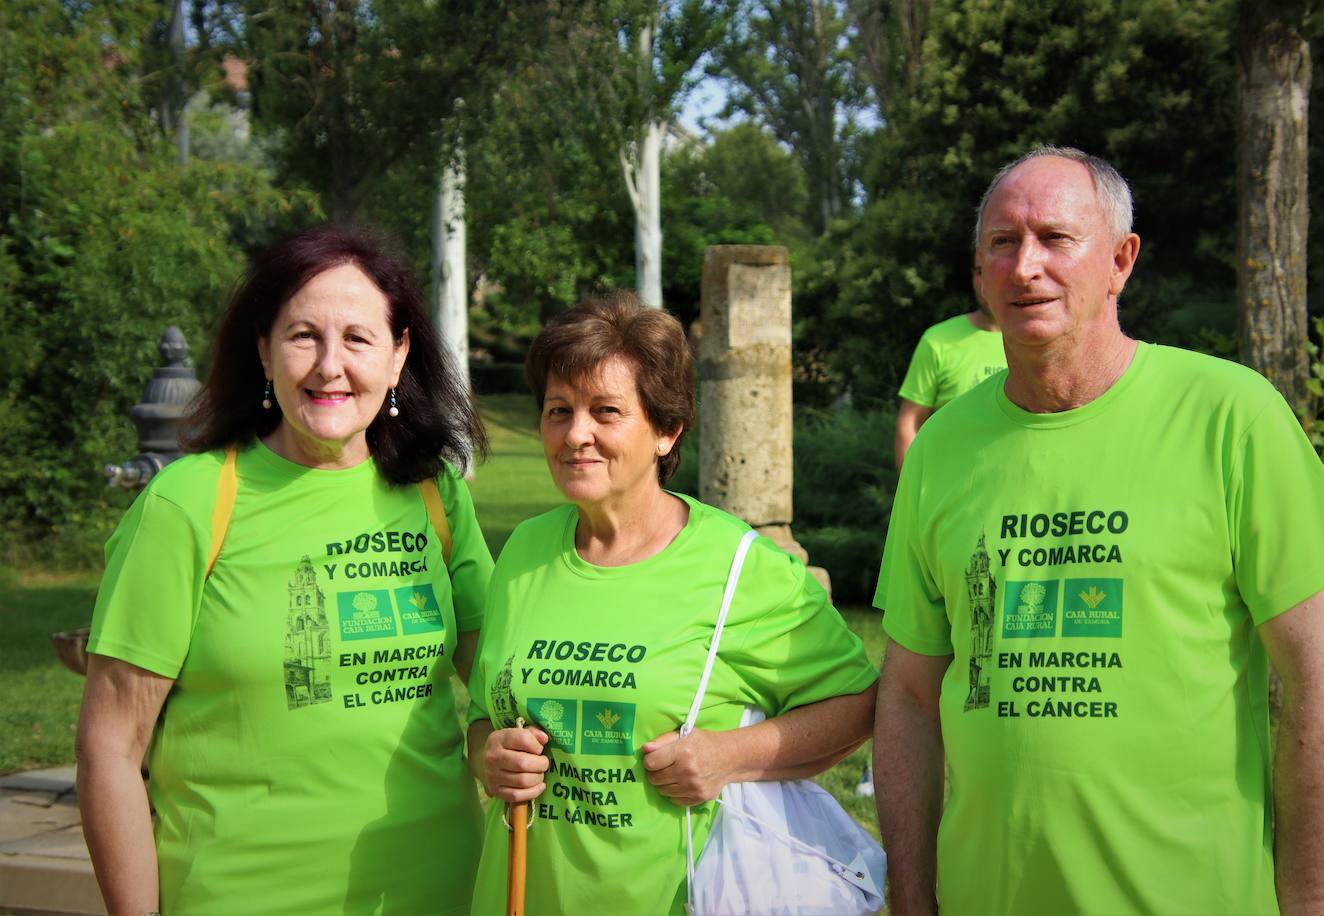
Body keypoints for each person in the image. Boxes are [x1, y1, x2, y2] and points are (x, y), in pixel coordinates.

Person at [873, 146, 1324, 915]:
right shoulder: (941, 447)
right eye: (1002, 243)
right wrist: (911, 900)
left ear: (1120, 260)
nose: (1025, 266)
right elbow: (908, 696)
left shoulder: (1230, 417)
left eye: (1054, 238)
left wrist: (1303, 907)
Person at [76, 225, 494, 914]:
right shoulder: (188, 503)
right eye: (304, 336)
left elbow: (501, 678)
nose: (331, 366)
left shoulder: (434, 493)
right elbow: (109, 749)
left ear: (399, 357)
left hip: (435, 893)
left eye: (358, 339)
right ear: (264, 352)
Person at [465, 292, 878, 915]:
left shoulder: (738, 566)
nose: (577, 434)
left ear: (666, 429)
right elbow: (481, 717)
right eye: (558, 410)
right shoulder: (524, 550)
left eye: (606, 411)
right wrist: (488, 757)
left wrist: (727, 757)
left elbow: (857, 704)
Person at [892, 259, 1005, 469]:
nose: (986, 281)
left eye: (995, 268)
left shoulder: (1042, 340)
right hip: (952, 493)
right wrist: (914, 494)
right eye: (980, 271)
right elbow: (910, 423)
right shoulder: (938, 340)